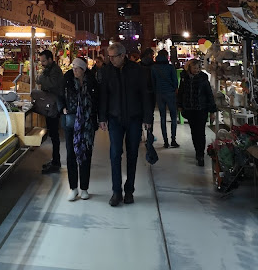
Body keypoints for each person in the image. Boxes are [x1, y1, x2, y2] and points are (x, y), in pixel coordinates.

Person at [99, 42, 153, 206]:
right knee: (115, 153)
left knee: (132, 153)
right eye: (109, 56)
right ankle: (116, 191)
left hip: (134, 117)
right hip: (114, 117)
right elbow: (103, 95)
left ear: (123, 55)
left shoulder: (137, 70)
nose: (110, 60)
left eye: (113, 57)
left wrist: (148, 118)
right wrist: (102, 117)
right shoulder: (107, 71)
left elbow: (146, 94)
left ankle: (129, 190)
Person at [63, 57, 99, 201]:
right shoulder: (67, 80)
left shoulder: (92, 82)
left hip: (87, 123)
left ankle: (84, 187)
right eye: (73, 68)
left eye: (77, 68)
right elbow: (59, 95)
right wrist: (62, 107)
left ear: (83, 69)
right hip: (71, 120)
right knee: (71, 154)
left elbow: (97, 100)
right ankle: (73, 188)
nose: (74, 70)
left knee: (85, 153)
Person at [177, 59, 216, 166]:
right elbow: (181, 92)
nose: (197, 70)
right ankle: (197, 151)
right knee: (194, 132)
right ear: (189, 67)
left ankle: (200, 154)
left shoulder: (203, 78)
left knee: (200, 132)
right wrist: (180, 105)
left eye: (198, 68)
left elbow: (209, 94)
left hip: (201, 109)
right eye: (194, 68)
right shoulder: (184, 78)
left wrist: (212, 111)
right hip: (190, 109)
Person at [37, 49, 64, 174]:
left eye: (43, 61)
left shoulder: (55, 71)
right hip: (50, 105)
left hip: (54, 106)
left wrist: (40, 77)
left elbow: (50, 83)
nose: (42, 63)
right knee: (53, 135)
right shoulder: (49, 69)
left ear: (50, 59)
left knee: (54, 135)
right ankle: (54, 161)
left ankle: (56, 163)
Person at [152, 49, 179, 148]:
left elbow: (153, 82)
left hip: (159, 94)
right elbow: (175, 81)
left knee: (162, 117)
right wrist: (175, 89)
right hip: (170, 93)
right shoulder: (170, 67)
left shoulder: (154, 68)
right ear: (167, 56)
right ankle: (173, 140)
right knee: (173, 117)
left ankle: (165, 141)